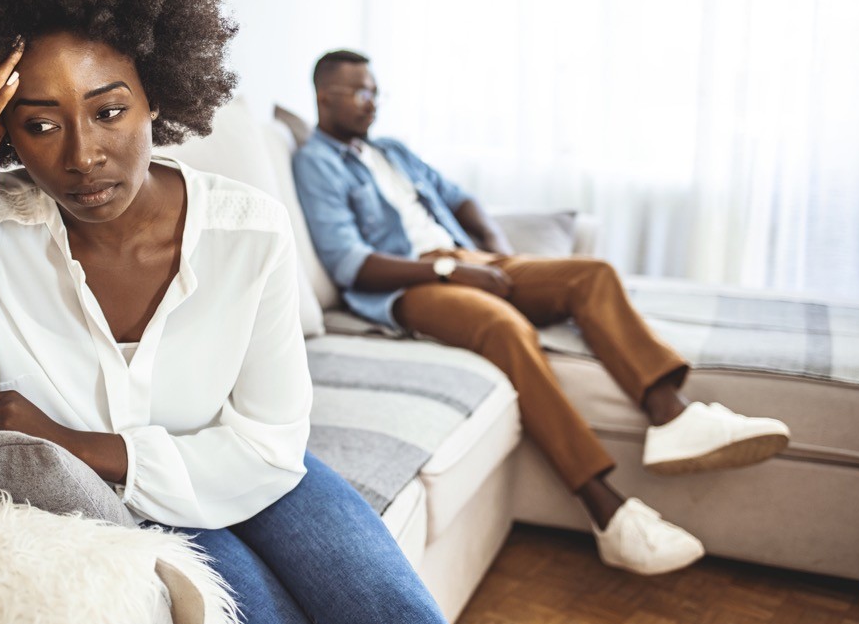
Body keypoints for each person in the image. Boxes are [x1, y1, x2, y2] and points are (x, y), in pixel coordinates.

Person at [0, 0, 462, 624]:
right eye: (40, 125)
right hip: (128, 504)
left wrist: (71, 441)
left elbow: (270, 447)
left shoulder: (250, 231)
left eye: (109, 111)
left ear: (158, 97)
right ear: (1, 132)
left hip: (257, 474)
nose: (81, 155)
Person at [292, 49, 793, 576]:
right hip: (414, 284)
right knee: (503, 326)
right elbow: (350, 263)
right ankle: (609, 513)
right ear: (326, 96)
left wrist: (494, 249)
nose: (373, 102)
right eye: (361, 91)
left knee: (589, 274)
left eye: (376, 90)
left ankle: (673, 414)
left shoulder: (390, 150)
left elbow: (460, 198)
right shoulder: (316, 161)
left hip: (468, 260)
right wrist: (449, 273)